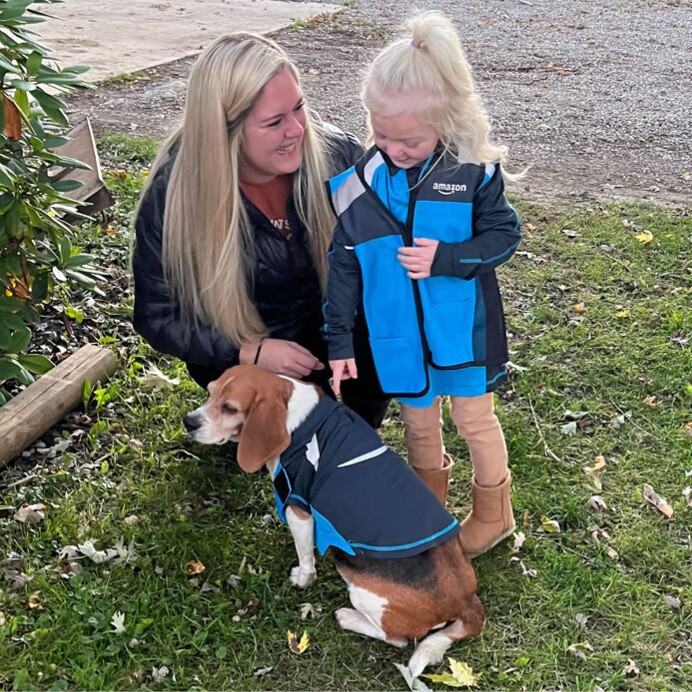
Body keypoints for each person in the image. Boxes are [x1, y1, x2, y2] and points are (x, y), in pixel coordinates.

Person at [324, 12, 521, 557]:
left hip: (463, 333)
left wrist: (451, 257)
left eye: (407, 139)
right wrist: (339, 341)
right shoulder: (360, 187)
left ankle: (493, 513)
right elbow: (342, 267)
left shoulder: (471, 174)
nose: (392, 148)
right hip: (398, 338)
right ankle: (427, 514)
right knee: (418, 424)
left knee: (474, 420)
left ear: (446, 120)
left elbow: (505, 234)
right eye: (381, 134)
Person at [132, 32, 389, 428]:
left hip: (338, 335)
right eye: (274, 121)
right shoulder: (175, 196)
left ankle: (357, 429)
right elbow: (156, 317)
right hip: (246, 346)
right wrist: (248, 352)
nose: (298, 130)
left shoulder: (339, 156)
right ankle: (249, 413)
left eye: (299, 108)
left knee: (381, 325)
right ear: (226, 131)